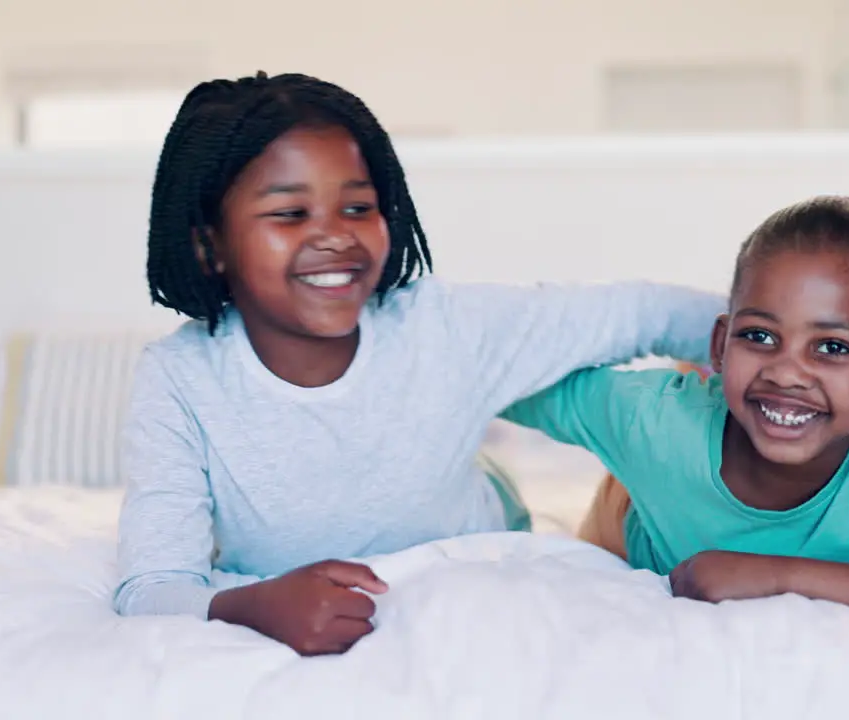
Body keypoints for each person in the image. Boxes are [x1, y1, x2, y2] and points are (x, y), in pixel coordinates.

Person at [113, 71, 726, 655]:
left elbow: (637, 314)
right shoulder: (179, 380)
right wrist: (253, 605)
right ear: (208, 243)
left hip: (485, 532)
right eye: (290, 214)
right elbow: (153, 588)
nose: (334, 236)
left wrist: (768, 344)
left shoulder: (441, 324)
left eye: (357, 208)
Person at [502, 193, 849, 610]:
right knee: (683, 422)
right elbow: (500, 377)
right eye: (760, 335)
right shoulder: (652, 418)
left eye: (833, 346)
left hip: (847, 403)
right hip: (635, 501)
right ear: (722, 342)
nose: (789, 371)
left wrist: (775, 576)